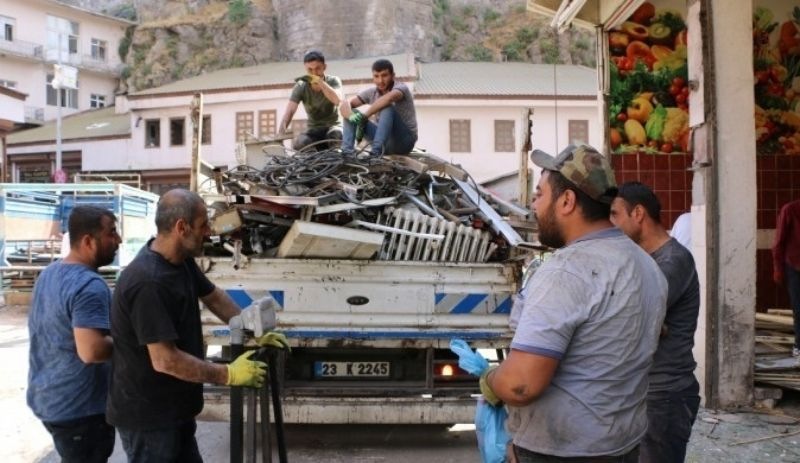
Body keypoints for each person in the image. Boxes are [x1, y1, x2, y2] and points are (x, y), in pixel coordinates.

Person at [480, 145, 668, 462]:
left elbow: (521, 386)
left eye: (539, 195)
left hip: (563, 452)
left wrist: (490, 379)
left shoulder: (566, 271)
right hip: (622, 444)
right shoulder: (646, 265)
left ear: (567, 201)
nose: (533, 205)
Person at [107, 189, 281, 462]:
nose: (210, 231)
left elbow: (215, 297)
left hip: (175, 409)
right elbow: (165, 360)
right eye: (203, 225)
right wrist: (228, 374)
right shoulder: (148, 282)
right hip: (149, 419)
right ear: (181, 227)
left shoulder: (181, 262)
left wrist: (251, 330)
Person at [610, 182, 701, 463]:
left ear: (638, 213)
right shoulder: (641, 260)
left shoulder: (674, 261)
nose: (611, 223)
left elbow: (631, 321)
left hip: (665, 397)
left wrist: (638, 323)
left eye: (615, 214)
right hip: (642, 393)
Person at [27, 205, 121, 462]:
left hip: (49, 398)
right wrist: (133, 342)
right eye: (111, 233)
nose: (119, 240)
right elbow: (92, 351)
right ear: (89, 241)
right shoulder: (89, 286)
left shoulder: (49, 274)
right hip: (80, 410)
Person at [340, 58, 418, 156]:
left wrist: (364, 118)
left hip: (404, 142)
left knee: (387, 108)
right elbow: (346, 103)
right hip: (385, 142)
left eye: (384, 75)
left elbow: (388, 99)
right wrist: (349, 114)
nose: (380, 80)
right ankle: (347, 152)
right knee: (353, 112)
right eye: (376, 76)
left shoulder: (401, 88)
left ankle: (375, 153)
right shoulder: (372, 92)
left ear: (393, 76)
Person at [278, 50, 343, 151]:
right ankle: (315, 163)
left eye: (317, 69)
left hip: (333, 127)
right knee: (300, 142)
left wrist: (320, 82)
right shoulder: (301, 86)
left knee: (336, 135)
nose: (314, 73)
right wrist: (280, 135)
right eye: (310, 70)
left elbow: (337, 100)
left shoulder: (333, 81)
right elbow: (289, 112)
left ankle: (336, 160)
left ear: (324, 67)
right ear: (305, 69)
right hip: (313, 130)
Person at [773, 198, 800, 357]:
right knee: (799, 308)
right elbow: (778, 242)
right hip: (794, 266)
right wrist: (778, 269)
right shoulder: (789, 210)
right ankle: (799, 345)